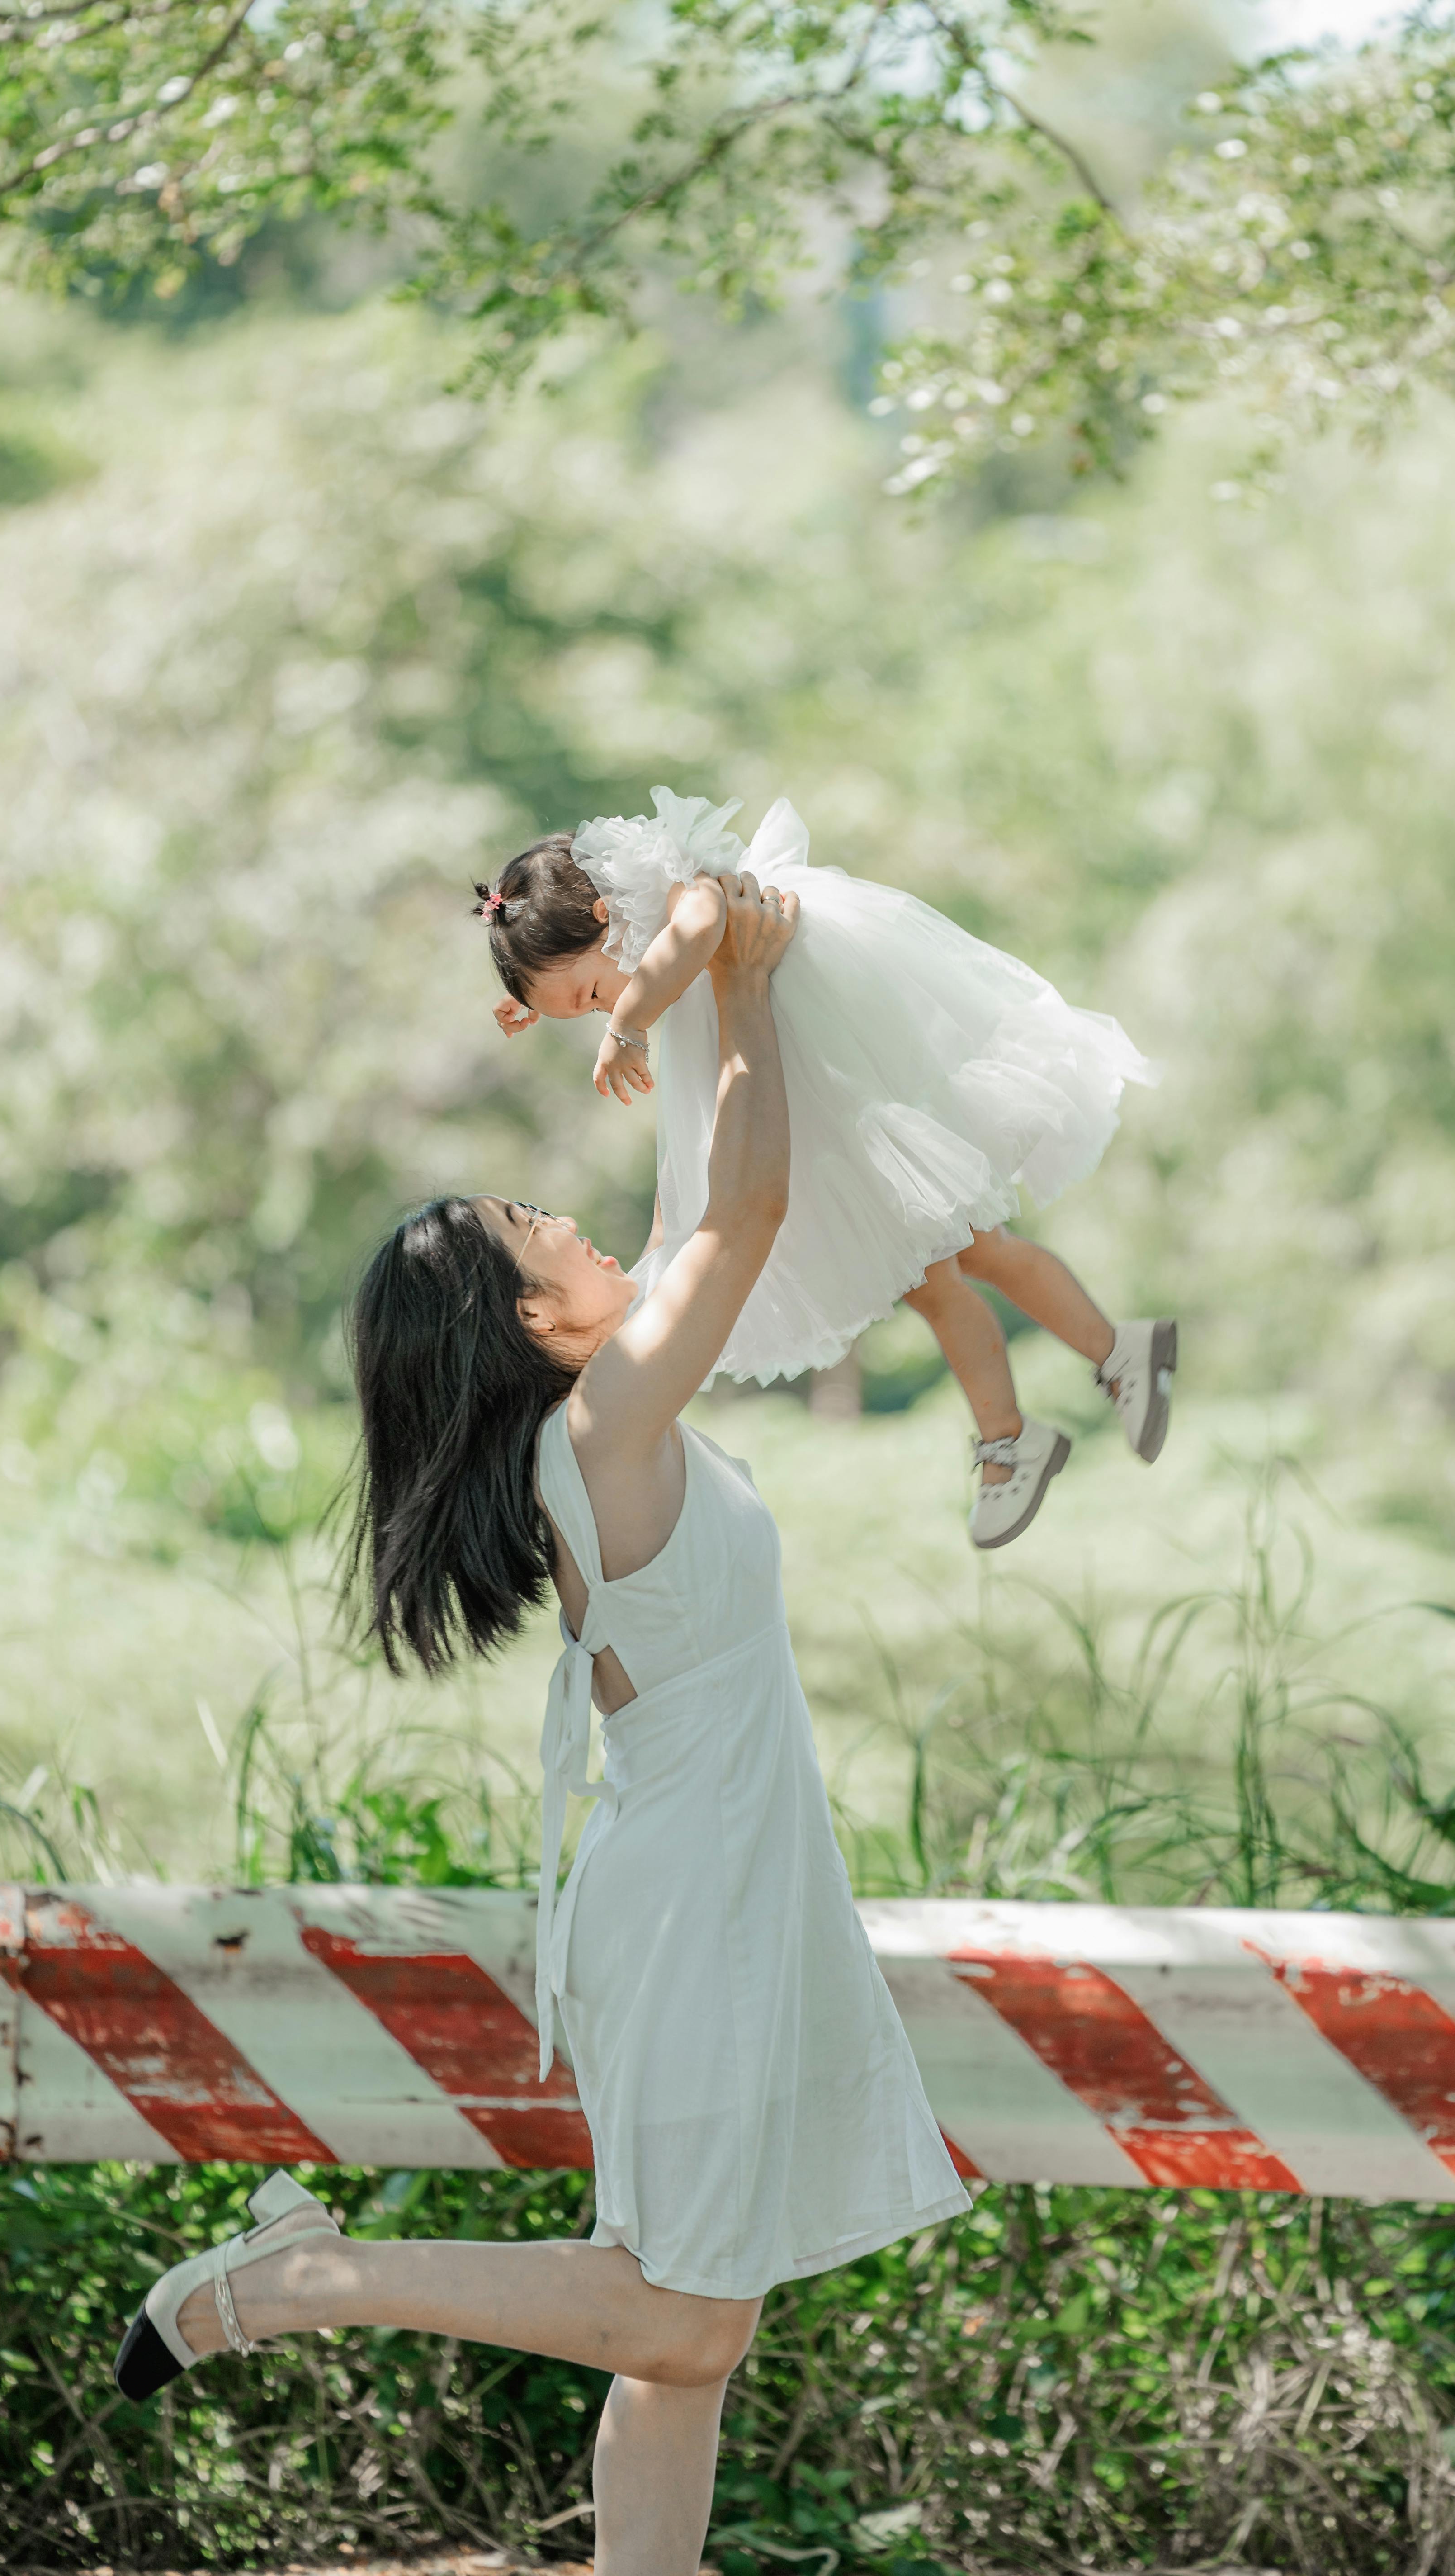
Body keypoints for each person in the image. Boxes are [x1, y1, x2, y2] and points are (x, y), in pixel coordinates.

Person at [113, 872, 971, 2576]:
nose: (582, 1228)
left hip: (711, 1888)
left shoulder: (588, 1426)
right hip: (699, 1904)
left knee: (680, 2339)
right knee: (682, 2320)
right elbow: (752, 1193)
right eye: (543, 1228)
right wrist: (741, 975)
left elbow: (731, 1200)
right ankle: (293, 2280)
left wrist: (728, 971)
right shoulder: (604, 1427)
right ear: (530, 1317)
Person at [480, 786, 1175, 1548]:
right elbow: (655, 1052)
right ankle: (1072, 1389)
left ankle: (1028, 1428)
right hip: (829, 1101)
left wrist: (626, 1019)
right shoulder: (642, 955)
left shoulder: (669, 908)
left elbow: (705, 917)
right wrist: (539, 994)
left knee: (950, 1266)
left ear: (605, 921)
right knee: (955, 1266)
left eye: (586, 994)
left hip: (841, 1069)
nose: (598, 1009)